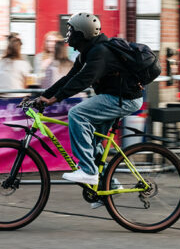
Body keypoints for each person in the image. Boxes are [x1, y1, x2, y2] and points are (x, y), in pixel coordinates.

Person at [35, 12, 143, 185]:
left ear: (82, 33)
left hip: (124, 98)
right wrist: (43, 96)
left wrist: (55, 99)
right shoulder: (87, 53)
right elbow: (69, 78)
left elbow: (83, 80)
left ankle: (88, 170)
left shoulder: (100, 52)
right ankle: (108, 183)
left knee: (77, 114)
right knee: (92, 140)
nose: (68, 34)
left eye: (71, 30)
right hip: (115, 97)